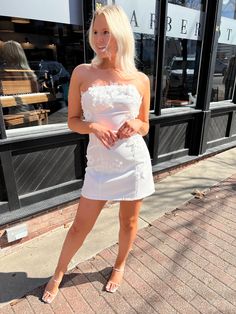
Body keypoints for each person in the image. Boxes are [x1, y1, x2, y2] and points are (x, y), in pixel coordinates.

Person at [42, 4, 155, 303]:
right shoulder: (82, 72)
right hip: (100, 165)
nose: (100, 38)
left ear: (121, 34)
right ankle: (58, 273)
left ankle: (119, 265)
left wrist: (136, 123)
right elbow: (72, 121)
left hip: (133, 161)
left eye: (107, 32)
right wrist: (92, 126)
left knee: (129, 222)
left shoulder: (140, 79)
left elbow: (145, 124)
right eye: (96, 32)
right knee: (81, 225)